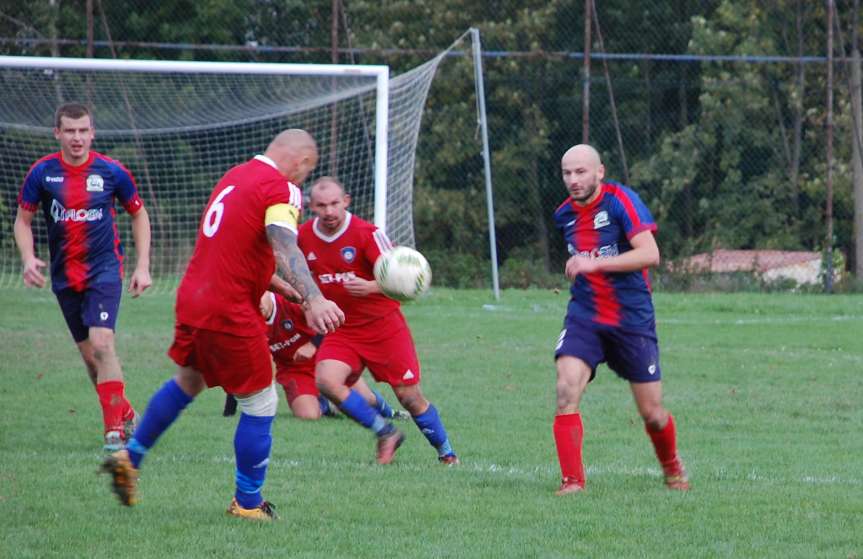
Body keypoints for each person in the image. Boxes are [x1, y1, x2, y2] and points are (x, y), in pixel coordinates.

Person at [101, 129, 344, 521]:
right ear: (300, 164)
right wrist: (315, 297)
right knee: (261, 402)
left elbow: (237, 250)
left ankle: (130, 459)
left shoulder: (234, 177)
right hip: (229, 309)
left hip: (195, 296)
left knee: (188, 381)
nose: (302, 181)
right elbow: (284, 243)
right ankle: (247, 503)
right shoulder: (281, 189)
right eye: (306, 172)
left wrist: (290, 290)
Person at [551, 144, 689, 496]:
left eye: (581, 172)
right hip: (585, 315)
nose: (573, 179)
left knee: (652, 412)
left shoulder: (620, 201)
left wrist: (594, 263)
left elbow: (650, 254)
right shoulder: (564, 215)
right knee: (566, 388)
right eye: (567, 173)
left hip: (631, 319)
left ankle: (672, 468)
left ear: (599, 171)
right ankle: (572, 482)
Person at [14, 102, 152, 451]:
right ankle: (126, 413)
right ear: (57, 133)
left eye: (83, 130)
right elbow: (23, 221)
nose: (77, 138)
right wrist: (28, 258)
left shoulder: (112, 171)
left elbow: (139, 215)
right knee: (93, 361)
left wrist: (143, 265)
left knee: (104, 343)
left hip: (105, 270)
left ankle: (113, 435)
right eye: (70, 131)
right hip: (65, 277)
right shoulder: (42, 173)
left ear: (92, 132)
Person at [298, 176, 457, 465]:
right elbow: (300, 279)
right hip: (342, 329)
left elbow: (404, 278)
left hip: (384, 328)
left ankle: (447, 453)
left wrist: (371, 286)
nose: (329, 211)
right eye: (321, 206)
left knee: (410, 397)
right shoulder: (302, 237)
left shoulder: (367, 234)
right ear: (311, 207)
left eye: (335, 203)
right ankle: (386, 432)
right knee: (326, 381)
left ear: (346, 201)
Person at [223, 290, 407, 421]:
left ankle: (389, 412)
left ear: (266, 289)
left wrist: (312, 345)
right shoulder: (249, 324)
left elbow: (331, 320)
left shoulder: (292, 300)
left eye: (258, 299)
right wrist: (229, 412)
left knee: (365, 400)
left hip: (326, 358)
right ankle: (325, 402)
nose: (257, 307)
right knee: (308, 416)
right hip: (293, 371)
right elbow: (241, 367)